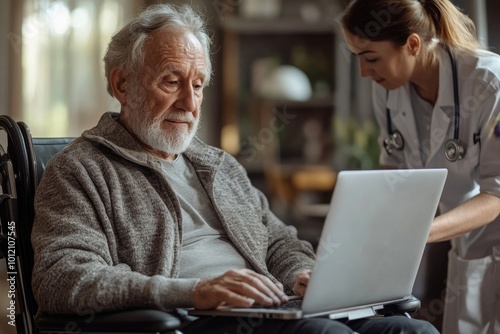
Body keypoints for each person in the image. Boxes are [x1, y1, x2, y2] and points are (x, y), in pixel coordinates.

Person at [31, 4, 438, 334]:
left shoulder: (217, 164)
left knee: (413, 331)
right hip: (193, 320)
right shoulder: (80, 170)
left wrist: (299, 272)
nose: (190, 104)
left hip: (275, 308)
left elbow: (279, 240)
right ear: (122, 84)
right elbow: (63, 278)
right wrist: (193, 292)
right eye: (172, 82)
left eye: (199, 84)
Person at [341, 0, 500, 333]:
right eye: (358, 59)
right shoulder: (388, 91)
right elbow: (397, 177)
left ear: (412, 44)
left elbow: (496, 194)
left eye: (371, 58)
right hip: (469, 244)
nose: (364, 72)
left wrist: (415, 233)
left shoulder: (489, 82)